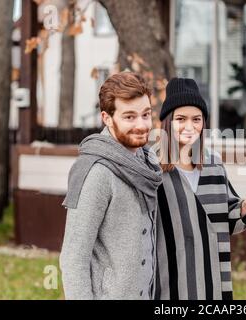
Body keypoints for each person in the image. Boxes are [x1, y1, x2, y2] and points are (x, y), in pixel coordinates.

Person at [154, 78, 246, 300]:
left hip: (213, 287)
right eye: (181, 119)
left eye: (196, 119)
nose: (190, 126)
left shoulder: (213, 165)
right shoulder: (151, 168)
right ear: (168, 122)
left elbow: (227, 222)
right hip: (170, 287)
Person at [60, 72, 162, 299]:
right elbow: (73, 258)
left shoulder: (147, 162)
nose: (142, 124)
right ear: (107, 118)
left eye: (146, 114)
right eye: (129, 117)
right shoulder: (96, 172)